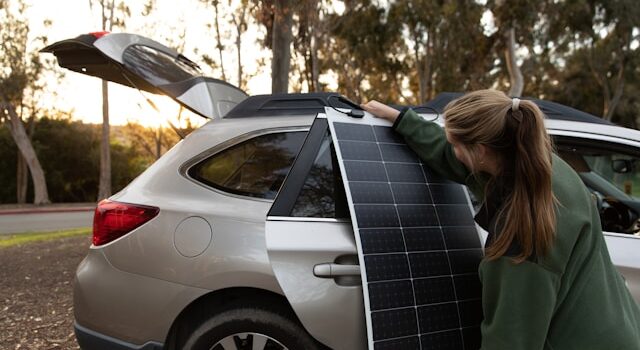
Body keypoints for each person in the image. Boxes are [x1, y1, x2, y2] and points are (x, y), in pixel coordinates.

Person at [361, 89, 640, 350]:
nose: (453, 151)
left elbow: (511, 338)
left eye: (455, 144)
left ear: (481, 152)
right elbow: (455, 158)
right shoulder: (543, 169)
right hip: (616, 329)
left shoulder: (521, 232)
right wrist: (401, 119)